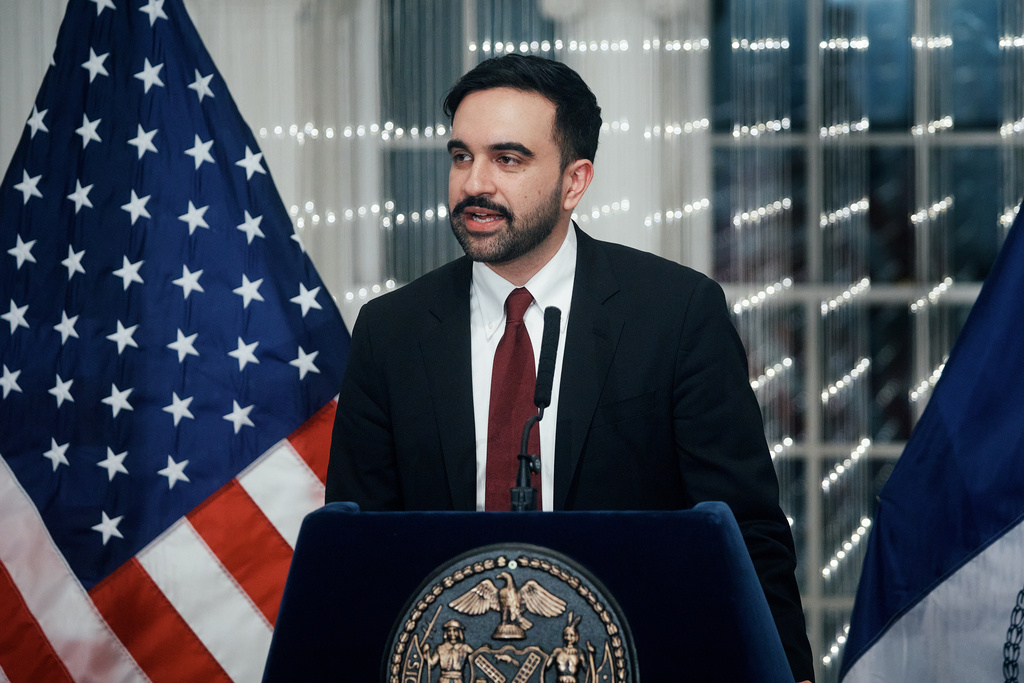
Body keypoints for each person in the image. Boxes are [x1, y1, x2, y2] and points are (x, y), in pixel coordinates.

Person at [326, 54, 813, 681]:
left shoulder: (676, 314)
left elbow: (745, 536)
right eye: (460, 156)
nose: (474, 183)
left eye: (508, 159)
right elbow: (357, 552)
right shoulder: (389, 330)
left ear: (574, 182)